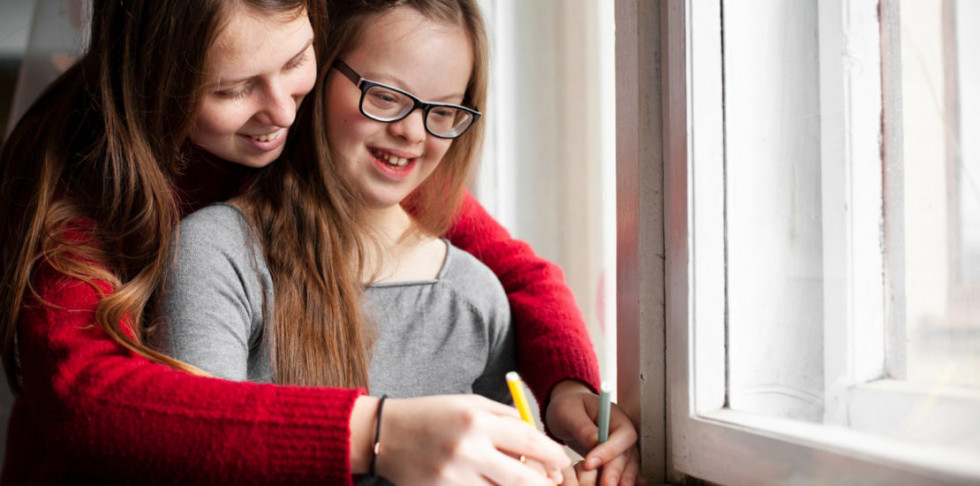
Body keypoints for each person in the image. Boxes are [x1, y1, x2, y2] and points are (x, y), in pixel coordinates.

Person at [0, 0, 637, 484]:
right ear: (153, 80)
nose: (281, 110)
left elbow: (523, 274)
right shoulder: (79, 177)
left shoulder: (330, 129)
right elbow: (84, 399)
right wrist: (377, 431)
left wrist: (567, 390)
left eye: (294, 62)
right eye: (231, 88)